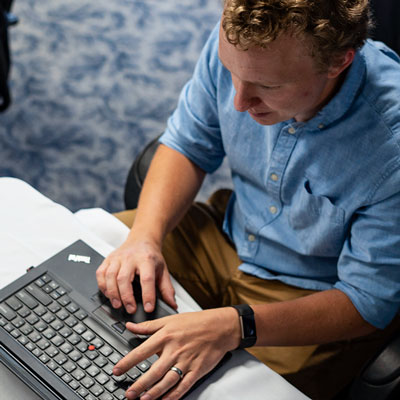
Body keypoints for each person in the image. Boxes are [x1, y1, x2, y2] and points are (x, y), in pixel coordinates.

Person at [96, 1, 400, 399]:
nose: (238, 102)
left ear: (338, 63)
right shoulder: (242, 46)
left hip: (312, 296)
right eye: (231, 72)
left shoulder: (391, 146)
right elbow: (188, 143)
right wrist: (145, 238)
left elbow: (367, 302)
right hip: (228, 233)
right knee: (87, 266)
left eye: (267, 87)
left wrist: (235, 325)